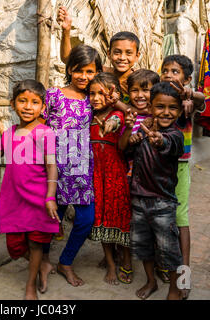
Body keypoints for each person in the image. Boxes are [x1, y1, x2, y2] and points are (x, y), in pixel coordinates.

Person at [0, 79, 61, 300]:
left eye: (35, 102)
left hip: (39, 198)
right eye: (22, 101)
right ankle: (43, 265)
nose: (28, 106)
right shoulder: (9, 133)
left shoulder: (45, 133)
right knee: (14, 246)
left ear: (43, 108)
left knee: (36, 243)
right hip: (14, 199)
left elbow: (52, 166)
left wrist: (50, 196)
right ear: (13, 104)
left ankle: (30, 286)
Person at [40, 44, 102, 290]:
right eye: (79, 71)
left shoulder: (93, 98)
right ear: (69, 69)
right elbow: (40, 125)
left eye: (90, 71)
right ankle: (43, 260)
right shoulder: (54, 94)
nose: (84, 77)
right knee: (51, 219)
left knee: (86, 220)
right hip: (55, 164)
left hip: (80, 166)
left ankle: (66, 261)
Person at [126, 81, 185, 300]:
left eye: (172, 108)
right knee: (142, 246)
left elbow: (168, 144)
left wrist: (159, 140)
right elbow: (128, 150)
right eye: (160, 106)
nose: (166, 112)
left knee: (168, 250)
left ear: (179, 111)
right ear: (150, 107)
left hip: (162, 203)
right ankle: (151, 281)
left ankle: (174, 289)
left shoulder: (175, 135)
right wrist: (133, 139)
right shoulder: (144, 129)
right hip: (139, 200)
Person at [157, 55, 205, 299]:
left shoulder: (188, 100)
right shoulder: (158, 96)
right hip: (156, 166)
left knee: (180, 219)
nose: (168, 74)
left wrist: (190, 95)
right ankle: (164, 267)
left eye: (174, 71)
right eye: (165, 70)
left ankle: (183, 274)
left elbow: (201, 99)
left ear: (186, 79)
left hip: (180, 167)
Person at [87, 72, 132, 286]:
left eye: (101, 94)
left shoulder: (118, 114)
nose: (95, 98)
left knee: (120, 215)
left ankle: (126, 260)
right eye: (92, 93)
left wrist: (111, 123)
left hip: (116, 175)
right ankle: (111, 263)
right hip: (96, 176)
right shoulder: (88, 117)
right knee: (100, 217)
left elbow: (117, 120)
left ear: (113, 96)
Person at [57, 6, 140, 104]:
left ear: (137, 56)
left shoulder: (138, 80)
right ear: (109, 53)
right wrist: (66, 31)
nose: (122, 58)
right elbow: (68, 59)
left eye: (128, 53)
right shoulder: (101, 73)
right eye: (117, 52)